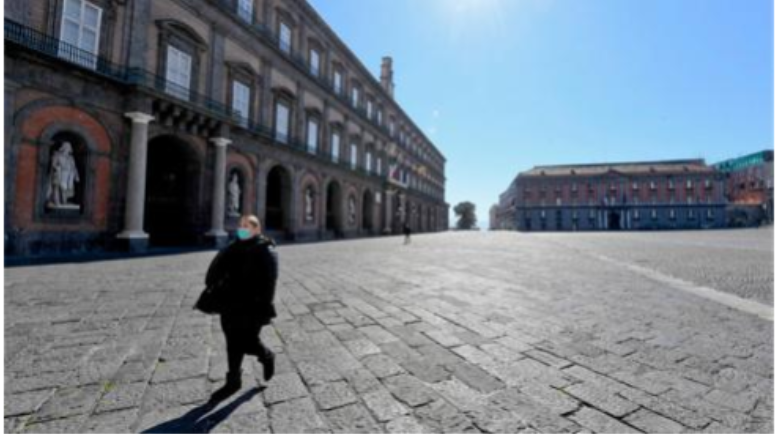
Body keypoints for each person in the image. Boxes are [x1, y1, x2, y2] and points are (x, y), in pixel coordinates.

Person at [205, 215, 277, 401]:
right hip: (229, 302)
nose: (242, 229)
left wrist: (265, 309)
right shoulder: (233, 246)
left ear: (256, 229)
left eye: (247, 226)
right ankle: (233, 380)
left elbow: (270, 283)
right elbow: (215, 270)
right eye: (240, 226)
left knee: (248, 342)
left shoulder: (265, 249)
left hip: (253, 305)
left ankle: (267, 356)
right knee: (232, 341)